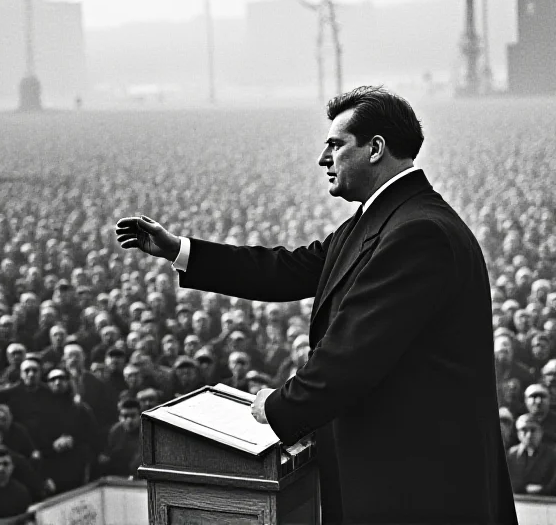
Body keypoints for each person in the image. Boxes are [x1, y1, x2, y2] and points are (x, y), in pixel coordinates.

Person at [116, 86, 517, 524]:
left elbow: (354, 353)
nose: (323, 159)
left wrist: (278, 407)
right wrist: (180, 250)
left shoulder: (418, 233)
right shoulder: (382, 220)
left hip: (420, 485)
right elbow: (286, 270)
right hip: (398, 474)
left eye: (335, 145)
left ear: (375, 149)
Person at [506, 414, 556, 495]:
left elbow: (553, 484)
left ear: (541, 432)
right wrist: (524, 489)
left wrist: (543, 490)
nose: (529, 435)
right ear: (518, 434)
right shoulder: (511, 455)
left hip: (545, 502)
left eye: (533, 430)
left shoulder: (552, 455)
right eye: (524, 430)